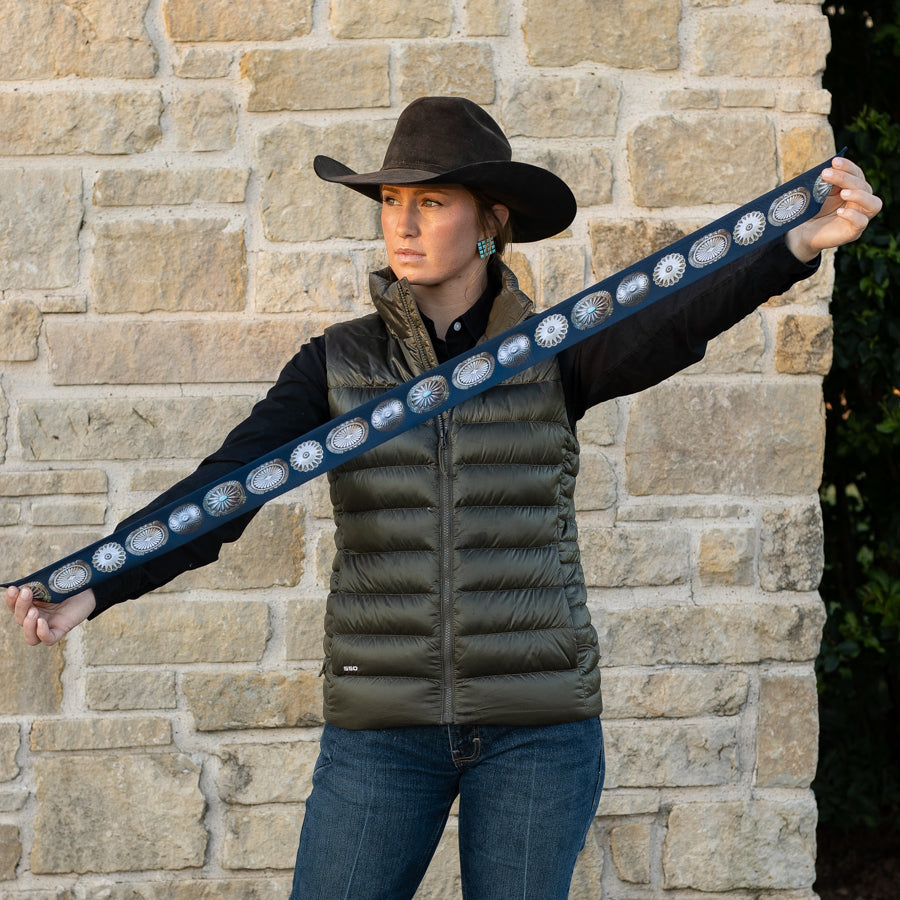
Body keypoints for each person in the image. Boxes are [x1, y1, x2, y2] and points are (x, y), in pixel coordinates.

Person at [5, 96, 882, 899]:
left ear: (491, 222)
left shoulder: (555, 350)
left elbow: (675, 314)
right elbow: (226, 489)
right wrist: (95, 584)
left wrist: (794, 246)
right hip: (383, 729)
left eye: (431, 202)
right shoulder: (337, 364)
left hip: (537, 727)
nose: (404, 223)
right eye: (392, 201)